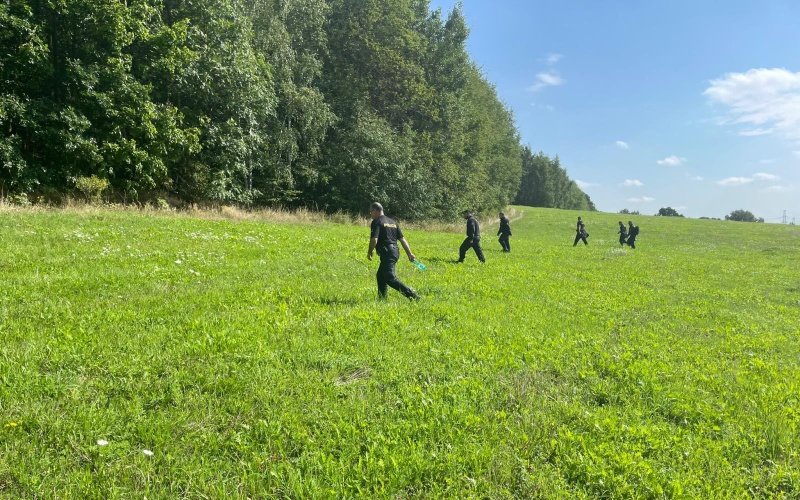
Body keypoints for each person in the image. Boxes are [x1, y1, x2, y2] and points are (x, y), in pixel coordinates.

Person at [367, 202, 419, 300]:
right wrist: (409, 254)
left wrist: (369, 251)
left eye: (371, 212)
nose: (371, 214)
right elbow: (402, 239)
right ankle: (382, 299)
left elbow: (374, 239)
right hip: (394, 251)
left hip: (387, 252)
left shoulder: (377, 221)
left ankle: (412, 295)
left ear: (375, 210)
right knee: (381, 275)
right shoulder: (393, 222)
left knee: (390, 278)